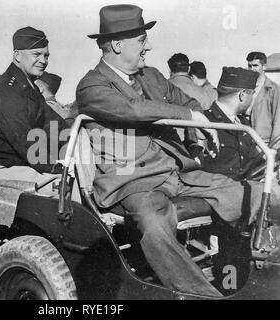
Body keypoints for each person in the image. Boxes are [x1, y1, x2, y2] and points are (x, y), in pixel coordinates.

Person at [76, 4, 275, 296]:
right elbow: (133, 109)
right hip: (134, 184)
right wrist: (189, 117)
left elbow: (191, 104)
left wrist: (197, 134)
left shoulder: (152, 77)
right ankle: (202, 295)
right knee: (154, 224)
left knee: (255, 192)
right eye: (142, 40)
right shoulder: (92, 86)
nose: (149, 46)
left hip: (182, 177)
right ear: (117, 44)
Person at [0, 27, 68, 190]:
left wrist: (77, 138)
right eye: (36, 54)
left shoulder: (28, 87)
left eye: (46, 55)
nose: (43, 61)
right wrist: (56, 167)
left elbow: (51, 123)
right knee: (68, 189)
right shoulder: (7, 91)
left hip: (19, 166)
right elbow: (27, 142)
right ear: (17, 55)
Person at [201, 67, 264, 180]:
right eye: (252, 93)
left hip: (244, 187)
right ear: (242, 95)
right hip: (218, 192)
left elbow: (252, 161)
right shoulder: (204, 122)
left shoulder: (243, 123)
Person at [246, 51, 280, 149]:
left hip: (263, 142)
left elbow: (278, 120)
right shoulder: (244, 87)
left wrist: (274, 148)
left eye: (255, 66)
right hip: (246, 139)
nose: (252, 69)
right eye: (249, 66)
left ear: (264, 67)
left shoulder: (274, 89)